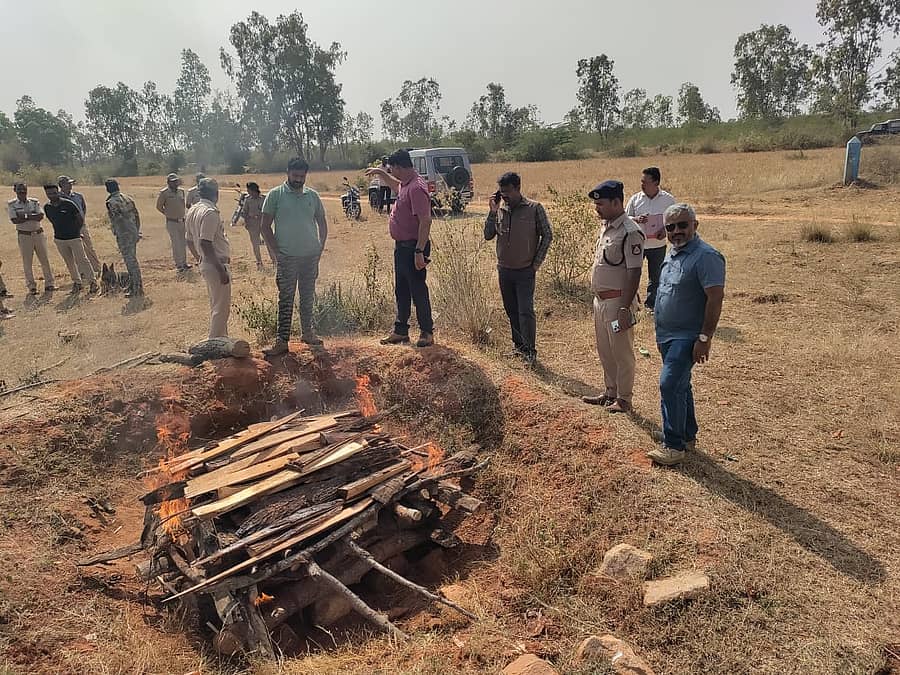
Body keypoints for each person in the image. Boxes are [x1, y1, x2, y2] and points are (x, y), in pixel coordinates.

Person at [647, 203, 725, 466]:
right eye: (671, 227)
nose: (677, 231)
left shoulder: (706, 256)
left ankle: (673, 446)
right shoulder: (673, 253)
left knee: (669, 383)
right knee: (680, 384)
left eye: (682, 225)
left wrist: (705, 337)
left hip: (687, 335)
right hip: (666, 334)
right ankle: (685, 433)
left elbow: (715, 298)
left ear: (695, 225)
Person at [581, 180, 645, 414]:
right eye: (596, 204)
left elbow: (634, 271)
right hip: (601, 302)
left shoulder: (631, 232)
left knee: (621, 352)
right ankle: (610, 392)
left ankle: (624, 399)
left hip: (618, 302)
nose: (597, 208)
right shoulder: (607, 227)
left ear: (617, 202)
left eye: (601, 204)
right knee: (605, 350)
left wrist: (625, 307)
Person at [366, 149, 434, 348]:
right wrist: (380, 173)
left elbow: (426, 221)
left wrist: (419, 251)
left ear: (399, 167)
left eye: (392, 169)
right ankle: (400, 331)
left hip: (414, 247)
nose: (392, 173)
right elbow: (396, 186)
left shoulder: (417, 188)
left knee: (418, 290)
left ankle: (427, 332)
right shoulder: (406, 184)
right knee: (402, 290)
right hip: (402, 248)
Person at [484, 171, 553, 364]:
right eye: (501, 193)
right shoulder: (500, 210)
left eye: (507, 192)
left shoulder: (534, 208)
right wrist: (492, 212)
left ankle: (530, 350)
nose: (504, 196)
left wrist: (535, 264)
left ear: (518, 188)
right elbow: (488, 235)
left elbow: (547, 235)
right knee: (511, 310)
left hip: (525, 271)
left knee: (525, 311)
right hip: (504, 270)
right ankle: (519, 346)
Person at [260, 157, 328, 354]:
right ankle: (282, 341)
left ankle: (308, 333)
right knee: (286, 299)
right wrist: (276, 252)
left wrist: (319, 249)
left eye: (302, 176)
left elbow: (322, 223)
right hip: (287, 257)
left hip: (310, 257)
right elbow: (265, 226)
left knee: (307, 297)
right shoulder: (275, 195)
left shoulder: (312, 196)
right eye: (295, 175)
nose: (299, 179)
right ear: (288, 172)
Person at [625, 167, 676, 311]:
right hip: (637, 244)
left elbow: (675, 221)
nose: (642, 185)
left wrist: (665, 231)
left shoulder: (668, 200)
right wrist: (636, 219)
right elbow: (625, 218)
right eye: (641, 181)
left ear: (656, 182)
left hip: (658, 245)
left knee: (656, 277)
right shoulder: (635, 199)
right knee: (631, 274)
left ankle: (651, 306)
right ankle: (632, 303)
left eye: (645, 182)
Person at [186, 178, 231, 338]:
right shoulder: (210, 212)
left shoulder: (193, 209)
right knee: (221, 309)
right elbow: (206, 243)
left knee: (216, 305)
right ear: (216, 193)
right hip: (216, 264)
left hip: (207, 263)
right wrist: (220, 269)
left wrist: (200, 259)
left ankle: (222, 341)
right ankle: (214, 344)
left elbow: (189, 241)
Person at [43, 185, 98, 294]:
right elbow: (52, 220)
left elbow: (80, 219)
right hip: (59, 239)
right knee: (69, 262)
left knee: (82, 260)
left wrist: (76, 232)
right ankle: (77, 283)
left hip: (74, 237)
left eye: (54, 193)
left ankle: (93, 282)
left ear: (58, 192)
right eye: (49, 194)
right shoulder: (47, 207)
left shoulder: (68, 204)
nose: (52, 195)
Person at [8, 182, 56, 294]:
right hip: (24, 236)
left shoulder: (34, 202)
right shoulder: (12, 204)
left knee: (45, 260)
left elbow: (40, 217)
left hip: (38, 234)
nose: (22, 191)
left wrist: (24, 216)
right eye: (19, 189)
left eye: (23, 189)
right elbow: (15, 220)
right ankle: (31, 286)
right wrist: (31, 216)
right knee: (27, 262)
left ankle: (49, 284)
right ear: (15, 190)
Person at [104, 179, 143, 297]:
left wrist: (122, 233)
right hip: (133, 232)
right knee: (132, 260)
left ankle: (137, 289)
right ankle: (133, 286)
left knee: (131, 263)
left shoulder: (111, 202)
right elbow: (136, 216)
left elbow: (119, 220)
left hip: (124, 234)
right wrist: (136, 231)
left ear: (107, 189)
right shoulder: (128, 198)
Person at [58, 175, 100, 275]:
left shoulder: (78, 196)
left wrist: (80, 222)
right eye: (68, 183)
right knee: (76, 251)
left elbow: (83, 209)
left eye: (71, 183)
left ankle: (96, 269)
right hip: (68, 229)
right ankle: (82, 272)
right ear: (62, 185)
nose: (70, 185)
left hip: (81, 226)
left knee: (89, 247)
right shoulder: (58, 198)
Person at [156, 172, 194, 272]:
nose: (175, 183)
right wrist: (167, 214)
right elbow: (159, 207)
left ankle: (184, 263)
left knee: (183, 243)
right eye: (173, 182)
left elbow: (182, 204)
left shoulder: (181, 191)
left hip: (182, 221)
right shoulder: (164, 193)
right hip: (172, 222)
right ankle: (179, 265)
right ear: (168, 182)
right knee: (176, 244)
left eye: (176, 181)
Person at [239, 182, 276, 270]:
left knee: (269, 243)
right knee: (255, 244)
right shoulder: (247, 200)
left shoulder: (263, 199)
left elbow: (269, 211)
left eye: (249, 190)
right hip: (252, 224)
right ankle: (259, 263)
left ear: (253, 190)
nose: (248, 192)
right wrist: (247, 222)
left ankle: (274, 261)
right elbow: (244, 212)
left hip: (263, 224)